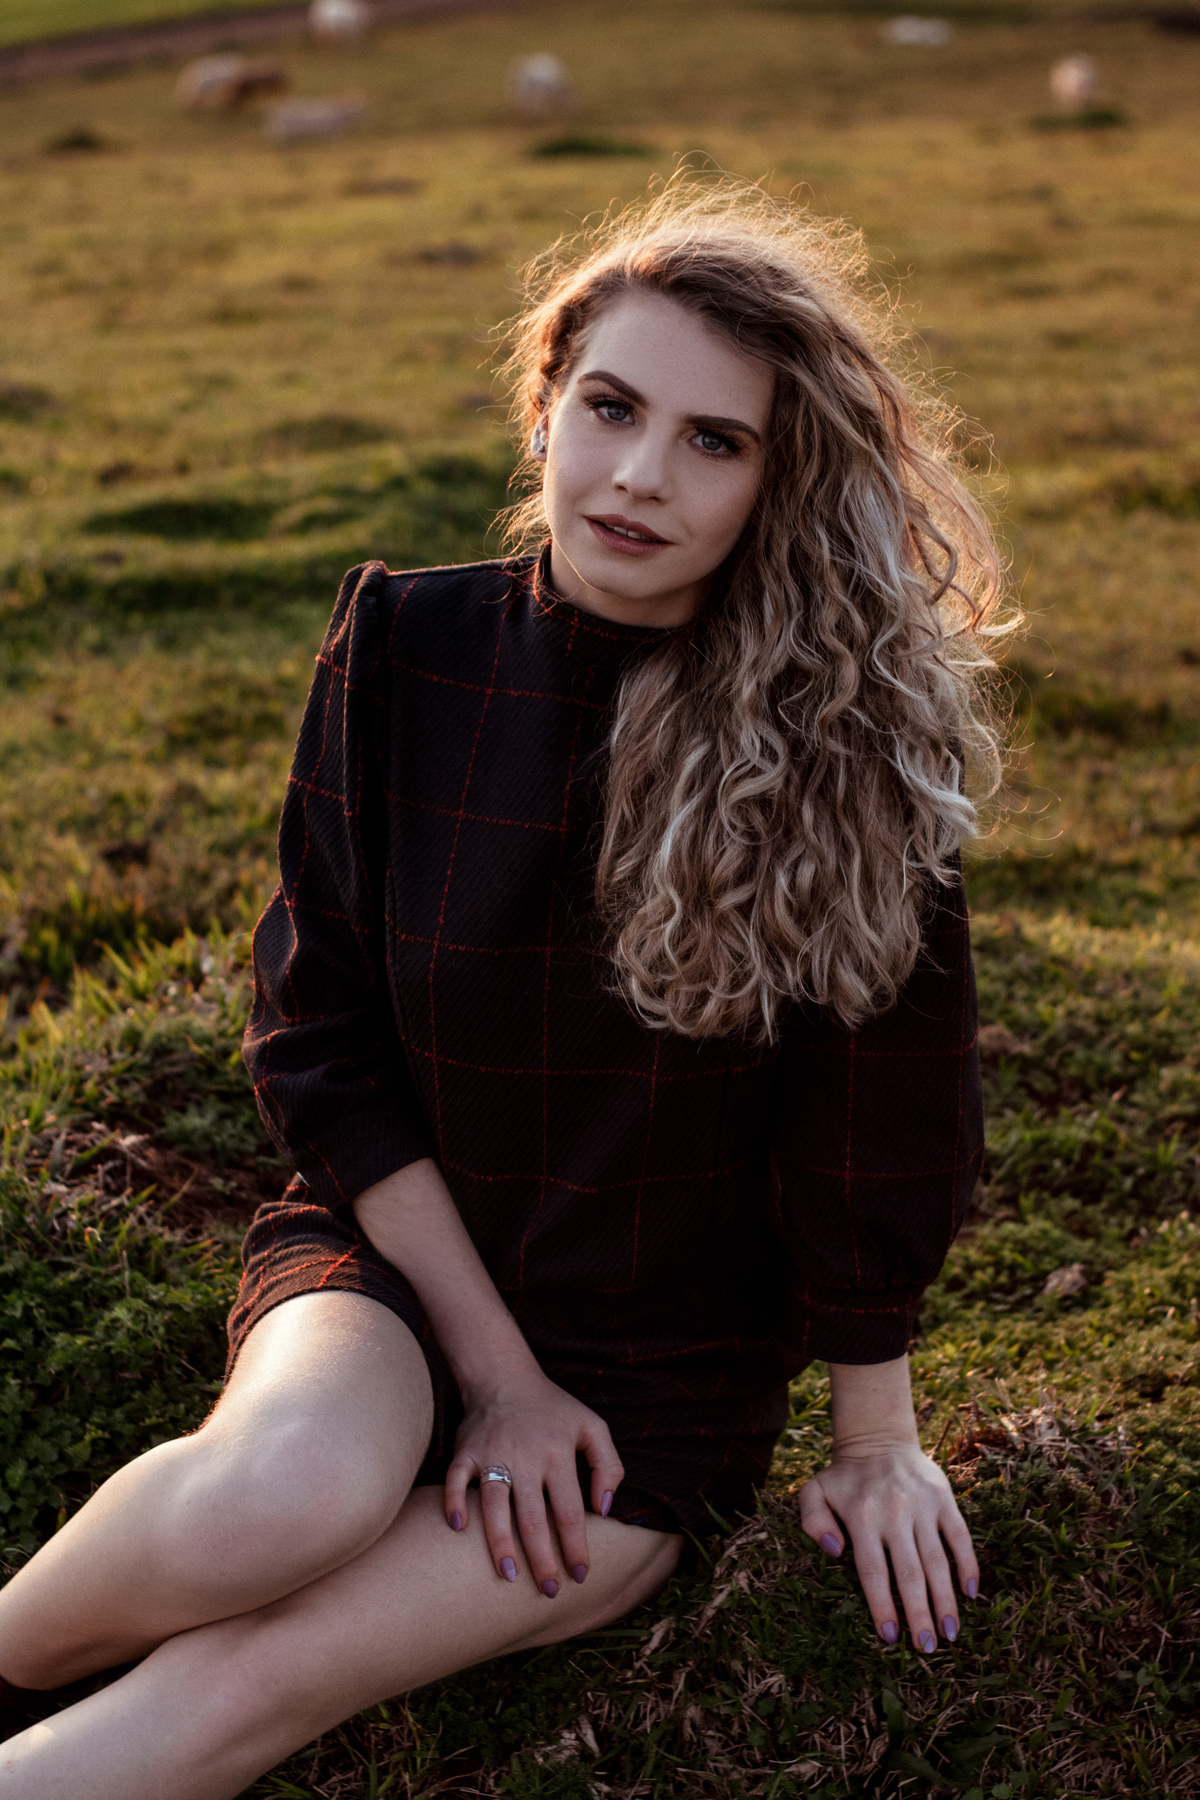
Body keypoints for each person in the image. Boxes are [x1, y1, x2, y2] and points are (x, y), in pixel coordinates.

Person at [0, 180, 1005, 1799]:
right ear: (546, 405)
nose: (640, 474)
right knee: (272, 1504)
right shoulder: (409, 643)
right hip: (402, 1262)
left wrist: (876, 1446)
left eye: (714, 441)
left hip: (652, 1380)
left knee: (256, 1677)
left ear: (782, 481)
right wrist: (496, 1378)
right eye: (611, 408)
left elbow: (877, 1125)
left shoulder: (852, 751)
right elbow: (319, 1034)